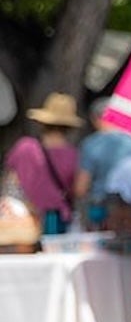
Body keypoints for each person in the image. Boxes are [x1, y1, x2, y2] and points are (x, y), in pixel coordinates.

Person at [3, 92, 84, 233]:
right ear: (69, 127)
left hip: (25, 220)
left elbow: (11, 181)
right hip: (58, 218)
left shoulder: (24, 147)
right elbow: (78, 190)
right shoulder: (74, 155)